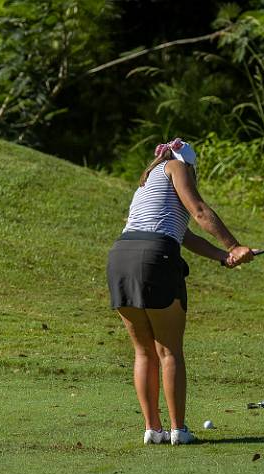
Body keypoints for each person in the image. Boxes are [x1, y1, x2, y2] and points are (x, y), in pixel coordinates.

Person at [107, 138, 254, 445]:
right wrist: (233, 245)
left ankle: (152, 430)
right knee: (169, 349)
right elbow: (199, 211)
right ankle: (178, 430)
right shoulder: (176, 167)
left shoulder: (148, 181)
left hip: (121, 257)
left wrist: (223, 257)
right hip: (154, 258)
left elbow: (183, 235)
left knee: (144, 350)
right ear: (187, 164)